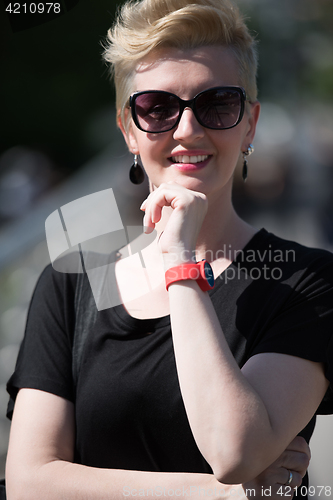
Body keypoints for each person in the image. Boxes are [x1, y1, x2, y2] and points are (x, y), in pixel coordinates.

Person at [5, 0, 333, 498]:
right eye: (156, 108)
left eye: (217, 104)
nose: (186, 130)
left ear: (249, 123)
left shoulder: (307, 282)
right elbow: (29, 482)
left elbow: (234, 451)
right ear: (128, 130)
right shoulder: (71, 283)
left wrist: (179, 260)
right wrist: (221, 495)